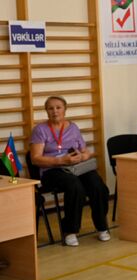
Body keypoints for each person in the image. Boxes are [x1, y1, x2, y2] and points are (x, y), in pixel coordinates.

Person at [30, 96, 111, 246]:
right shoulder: (40, 130)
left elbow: (86, 152)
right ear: (46, 111)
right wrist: (60, 161)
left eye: (58, 107)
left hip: (74, 166)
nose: (55, 111)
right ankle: (70, 230)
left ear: (65, 110)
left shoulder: (73, 128)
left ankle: (102, 226)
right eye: (50, 108)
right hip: (52, 170)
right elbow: (35, 158)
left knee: (97, 184)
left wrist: (82, 156)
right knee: (75, 186)